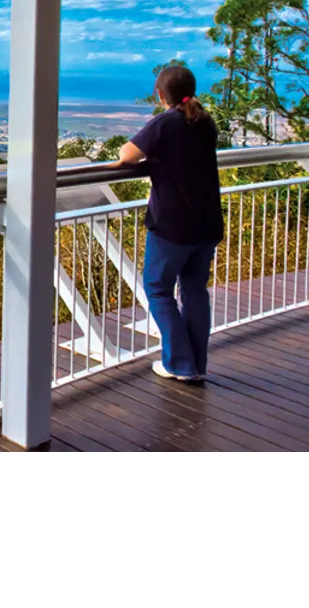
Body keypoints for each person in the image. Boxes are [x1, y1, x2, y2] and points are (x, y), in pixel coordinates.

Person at [113, 65, 224, 382]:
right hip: (207, 224)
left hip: (174, 226)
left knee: (158, 289)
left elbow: (127, 155)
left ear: (159, 94)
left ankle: (179, 363)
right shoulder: (204, 122)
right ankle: (196, 364)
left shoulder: (165, 122)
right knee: (194, 289)